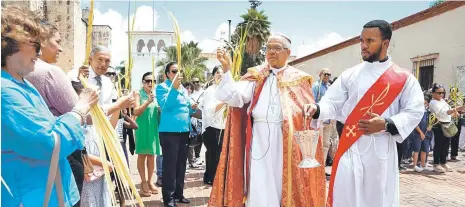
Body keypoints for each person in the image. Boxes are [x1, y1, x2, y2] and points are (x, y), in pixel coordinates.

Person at [306, 20, 424, 207]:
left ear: (385, 43)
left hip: (381, 147)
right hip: (350, 145)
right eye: (361, 40)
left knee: (376, 196)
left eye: (370, 41)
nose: (363, 45)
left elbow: (415, 110)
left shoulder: (404, 78)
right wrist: (317, 109)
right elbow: (332, 102)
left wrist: (386, 124)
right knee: (345, 193)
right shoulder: (350, 74)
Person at [209, 34, 326, 207]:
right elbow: (233, 97)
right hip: (259, 138)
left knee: (282, 182)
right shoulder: (256, 76)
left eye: (276, 48)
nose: (271, 52)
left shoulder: (299, 79)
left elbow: (310, 113)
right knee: (259, 182)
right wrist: (227, 69)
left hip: (286, 140)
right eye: (268, 48)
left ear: (288, 52)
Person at [1, 6, 99, 206]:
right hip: (33, 197)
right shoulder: (5, 91)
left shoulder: (21, 83)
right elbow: (48, 142)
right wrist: (80, 109)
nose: (39, 51)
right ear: (10, 44)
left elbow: (44, 125)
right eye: (35, 44)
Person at [25, 21, 86, 206]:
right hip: (62, 152)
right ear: (41, 41)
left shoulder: (18, 78)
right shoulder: (50, 72)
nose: (60, 48)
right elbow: (81, 114)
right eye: (57, 41)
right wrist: (88, 103)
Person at [157, 62, 198, 206]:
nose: (177, 74)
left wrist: (192, 108)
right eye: (174, 71)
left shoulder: (183, 89)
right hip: (169, 132)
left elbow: (186, 108)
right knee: (170, 166)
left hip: (184, 131)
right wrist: (173, 89)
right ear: (167, 74)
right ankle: (169, 199)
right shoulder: (162, 88)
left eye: (179, 71)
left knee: (181, 164)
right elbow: (164, 105)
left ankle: (179, 194)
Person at [133, 72, 162, 196]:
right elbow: (136, 111)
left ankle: (150, 181)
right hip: (142, 128)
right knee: (142, 155)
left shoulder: (156, 95)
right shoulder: (138, 93)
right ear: (143, 82)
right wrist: (148, 102)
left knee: (151, 156)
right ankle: (143, 182)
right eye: (147, 81)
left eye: (152, 81)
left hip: (153, 128)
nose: (150, 83)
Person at [199, 66, 227, 185]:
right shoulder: (210, 91)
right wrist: (226, 102)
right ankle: (210, 177)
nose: (220, 75)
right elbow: (209, 110)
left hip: (223, 126)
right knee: (212, 153)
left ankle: (217, 177)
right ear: (213, 75)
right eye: (217, 73)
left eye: (222, 73)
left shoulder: (226, 90)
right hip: (211, 127)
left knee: (219, 153)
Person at [429, 83, 463, 173]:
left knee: (446, 145)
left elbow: (449, 112)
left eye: (442, 93)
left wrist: (455, 113)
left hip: (447, 124)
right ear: (433, 93)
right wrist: (454, 109)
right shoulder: (433, 102)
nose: (441, 95)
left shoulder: (443, 101)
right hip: (439, 125)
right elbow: (441, 113)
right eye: (439, 93)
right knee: (439, 145)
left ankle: (443, 162)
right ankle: (436, 164)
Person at [312, 68, 333, 171]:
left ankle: (322, 168)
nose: (327, 76)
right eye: (325, 74)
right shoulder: (316, 87)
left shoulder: (329, 88)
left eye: (329, 74)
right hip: (319, 120)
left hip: (328, 120)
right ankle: (316, 168)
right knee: (318, 144)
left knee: (326, 144)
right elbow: (313, 101)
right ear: (320, 74)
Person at [409, 96, 434, 172]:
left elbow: (432, 121)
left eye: (426, 101)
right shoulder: (417, 111)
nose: (425, 103)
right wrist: (420, 133)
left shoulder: (428, 111)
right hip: (417, 133)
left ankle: (423, 165)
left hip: (426, 133)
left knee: (424, 149)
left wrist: (430, 127)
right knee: (416, 149)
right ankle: (415, 165)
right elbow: (414, 123)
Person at [190, 77, 205, 165]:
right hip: (194, 118)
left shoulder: (204, 92)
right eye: (194, 82)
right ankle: (196, 156)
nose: (196, 83)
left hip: (202, 118)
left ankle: (198, 156)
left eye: (197, 81)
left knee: (201, 137)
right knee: (196, 137)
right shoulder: (190, 95)